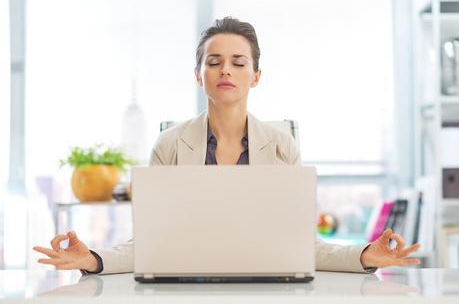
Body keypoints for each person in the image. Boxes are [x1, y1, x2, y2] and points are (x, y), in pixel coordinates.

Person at [33, 17, 421, 275]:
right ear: (198, 76)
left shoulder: (283, 146)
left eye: (238, 62)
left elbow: (304, 247)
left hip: (269, 284)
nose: (225, 70)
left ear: (256, 76)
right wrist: (93, 260)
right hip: (185, 285)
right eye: (214, 62)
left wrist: (366, 257)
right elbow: (149, 244)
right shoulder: (169, 145)